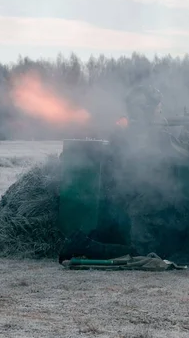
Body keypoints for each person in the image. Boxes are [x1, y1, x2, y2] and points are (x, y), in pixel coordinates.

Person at [58, 84, 180, 263]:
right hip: (139, 203)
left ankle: (86, 244)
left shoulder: (127, 133)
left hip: (130, 201)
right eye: (157, 108)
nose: (160, 113)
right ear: (146, 110)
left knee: (151, 249)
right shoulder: (142, 136)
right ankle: (82, 245)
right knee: (142, 253)